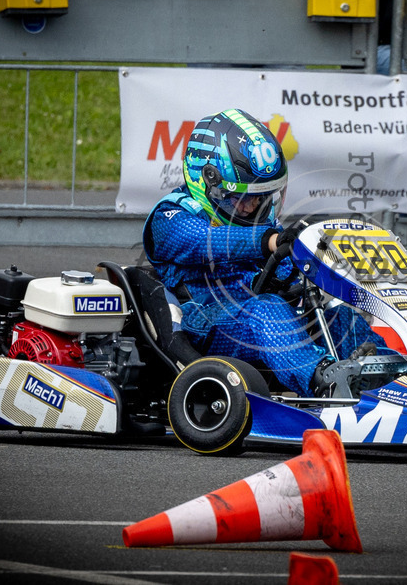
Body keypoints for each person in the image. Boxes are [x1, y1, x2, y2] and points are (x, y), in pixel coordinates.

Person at [142, 109, 385, 397]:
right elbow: (206, 242)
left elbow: (283, 268)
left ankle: (388, 377)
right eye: (241, 197)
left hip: (259, 314)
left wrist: (312, 264)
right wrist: (269, 240)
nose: (250, 207)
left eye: (259, 197)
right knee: (266, 311)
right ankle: (326, 382)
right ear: (207, 181)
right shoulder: (171, 217)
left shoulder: (260, 223)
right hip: (204, 326)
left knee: (335, 314)